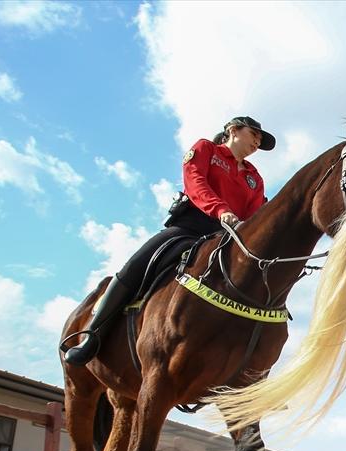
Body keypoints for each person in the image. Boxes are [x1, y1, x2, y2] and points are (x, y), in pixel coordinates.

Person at [62, 116, 276, 365]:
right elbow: (196, 183)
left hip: (227, 239)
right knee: (136, 266)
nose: (257, 142)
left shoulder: (254, 177)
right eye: (255, 135)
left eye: (260, 140)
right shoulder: (206, 149)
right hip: (191, 227)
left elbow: (253, 215)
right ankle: (93, 334)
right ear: (234, 130)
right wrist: (220, 210)